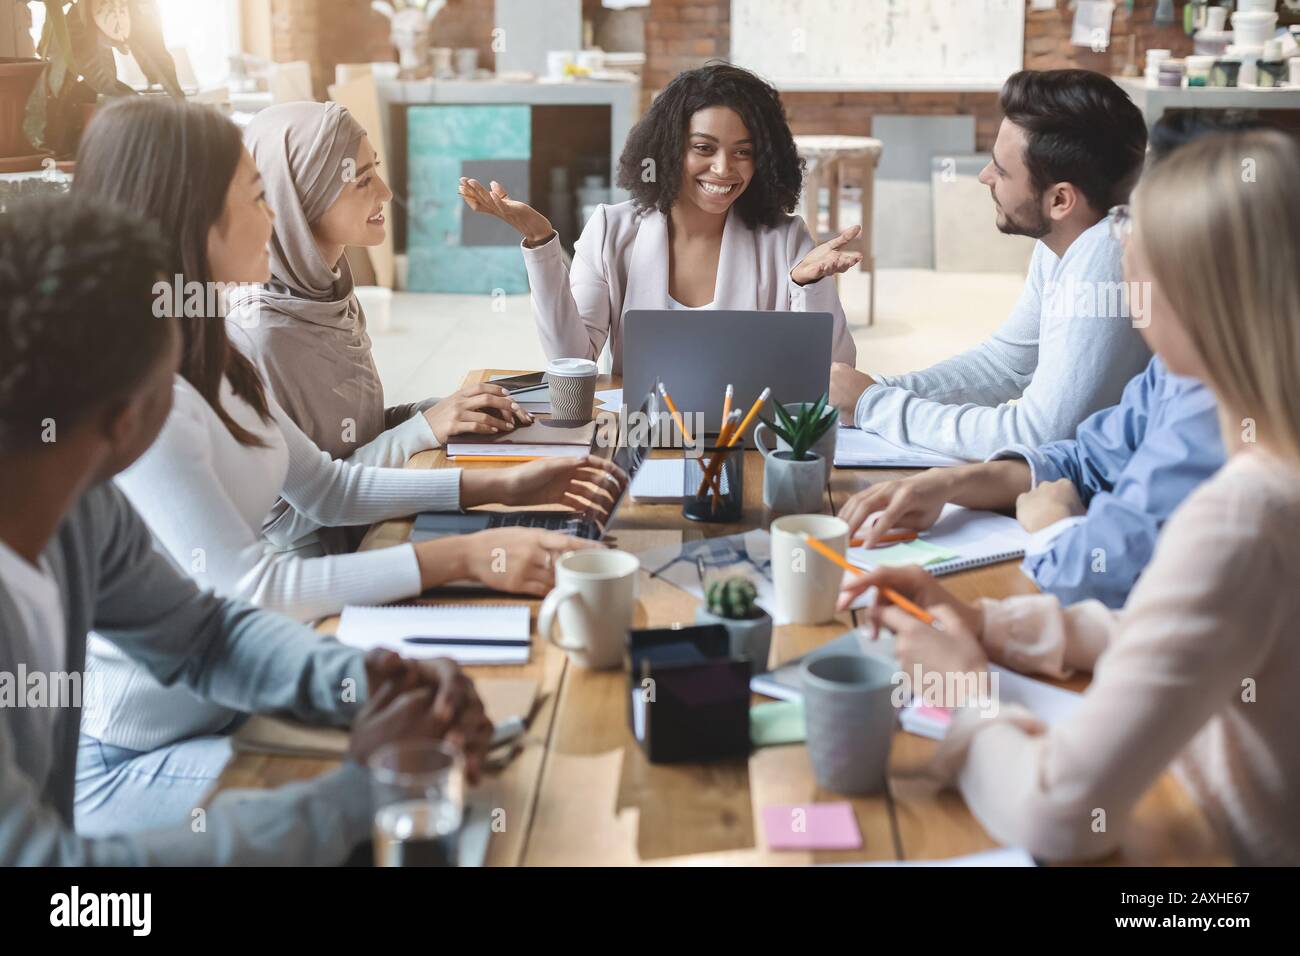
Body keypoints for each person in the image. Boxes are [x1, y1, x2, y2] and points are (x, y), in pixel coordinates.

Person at [68, 98, 623, 833]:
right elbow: (252, 588)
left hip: (234, 708)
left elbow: (329, 488)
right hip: (140, 754)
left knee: (462, 761)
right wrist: (467, 556)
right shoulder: (154, 402)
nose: (278, 212)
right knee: (433, 795)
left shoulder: (212, 356)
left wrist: (503, 482)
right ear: (193, 221)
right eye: (260, 196)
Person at [838, 130, 1300, 864]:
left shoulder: (1243, 514)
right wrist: (988, 624)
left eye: (1136, 265)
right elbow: (1178, 633)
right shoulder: (1245, 443)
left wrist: (965, 692)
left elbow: (1058, 818)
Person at [0, 195, 491, 865]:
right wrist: (355, 794)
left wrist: (371, 681)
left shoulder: (82, 506)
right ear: (126, 418)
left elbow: (203, 634)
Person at [834, 112, 1273, 609]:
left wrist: (1054, 525)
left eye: (1134, 224)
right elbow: (1082, 450)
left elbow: (1095, 569)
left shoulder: (1222, 415)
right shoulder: (1173, 371)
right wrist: (952, 481)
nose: (1122, 242)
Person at [830, 69, 1151, 459]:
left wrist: (872, 404)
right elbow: (1005, 365)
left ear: (1060, 200)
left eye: (1000, 169)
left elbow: (1036, 435)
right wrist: (875, 388)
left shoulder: (1107, 255)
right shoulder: (1065, 238)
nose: (984, 177)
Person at [459, 62, 860, 374]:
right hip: (642, 435)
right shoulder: (609, 230)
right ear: (669, 149)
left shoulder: (787, 239)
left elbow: (836, 374)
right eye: (703, 148)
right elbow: (572, 358)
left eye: (743, 152)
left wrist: (811, 285)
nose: (723, 168)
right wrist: (540, 239)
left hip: (747, 440)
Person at [226, 102, 526, 480]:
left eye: (376, 170)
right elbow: (296, 515)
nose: (384, 193)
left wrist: (447, 410)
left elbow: (354, 435)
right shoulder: (261, 334)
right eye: (362, 180)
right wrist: (424, 428)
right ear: (303, 196)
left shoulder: (327, 294)